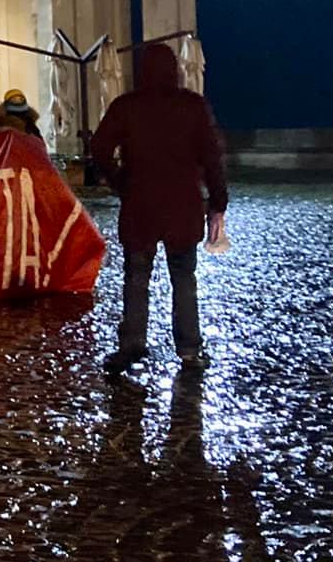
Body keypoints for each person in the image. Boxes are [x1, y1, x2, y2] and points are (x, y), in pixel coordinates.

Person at [90, 41, 229, 373]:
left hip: (140, 205)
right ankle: (189, 347)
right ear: (175, 70)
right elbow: (212, 158)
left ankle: (133, 344)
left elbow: (99, 147)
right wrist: (218, 201)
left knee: (137, 278)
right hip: (183, 206)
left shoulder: (127, 107)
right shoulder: (192, 107)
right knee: (183, 277)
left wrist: (120, 180)